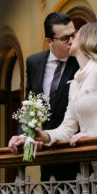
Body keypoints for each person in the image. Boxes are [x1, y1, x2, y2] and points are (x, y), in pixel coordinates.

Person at [35, 22, 97, 180]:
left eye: (75, 34)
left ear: (88, 39)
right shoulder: (75, 82)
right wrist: (45, 135)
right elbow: (68, 127)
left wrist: (94, 140)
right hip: (96, 166)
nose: (71, 39)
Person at [8, 11, 79, 180]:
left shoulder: (80, 61)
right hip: (46, 155)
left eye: (73, 35)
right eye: (65, 38)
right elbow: (29, 104)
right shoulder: (34, 63)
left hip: (75, 151)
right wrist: (23, 135)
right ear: (49, 41)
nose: (72, 42)